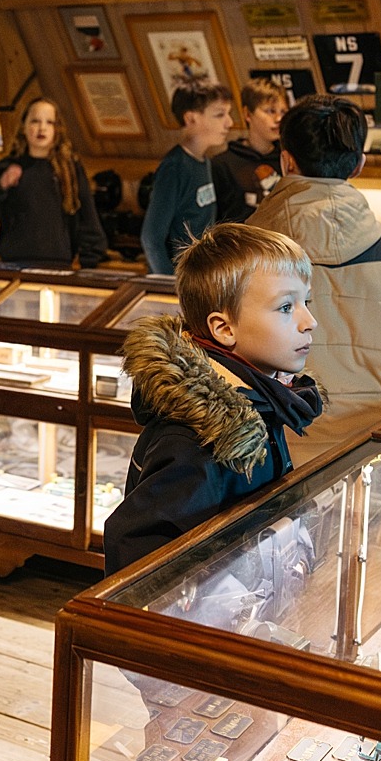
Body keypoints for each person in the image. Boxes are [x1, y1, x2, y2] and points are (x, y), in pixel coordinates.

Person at [104, 223, 323, 575]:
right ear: (224, 329)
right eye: (286, 307)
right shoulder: (196, 442)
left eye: (306, 301)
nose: (309, 321)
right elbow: (138, 556)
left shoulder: (259, 401)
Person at [248, 94, 381, 426]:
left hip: (274, 453)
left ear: (286, 162)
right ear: (358, 164)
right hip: (369, 446)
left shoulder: (241, 250)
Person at [0, 97, 109, 268]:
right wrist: (1, 187)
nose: (42, 128)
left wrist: (89, 260)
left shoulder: (70, 169)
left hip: (57, 262)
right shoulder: (6, 167)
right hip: (14, 262)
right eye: (35, 121)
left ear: (57, 129)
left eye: (49, 122)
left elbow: (87, 215)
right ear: (24, 127)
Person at [139, 82, 234, 275]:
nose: (229, 123)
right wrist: (170, 285)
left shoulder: (204, 161)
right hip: (180, 280)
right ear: (191, 118)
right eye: (219, 115)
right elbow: (151, 238)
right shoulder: (174, 167)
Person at [211, 78, 286, 224]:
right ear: (247, 114)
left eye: (283, 111)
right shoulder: (222, 164)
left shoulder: (289, 158)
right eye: (270, 111)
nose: (279, 118)